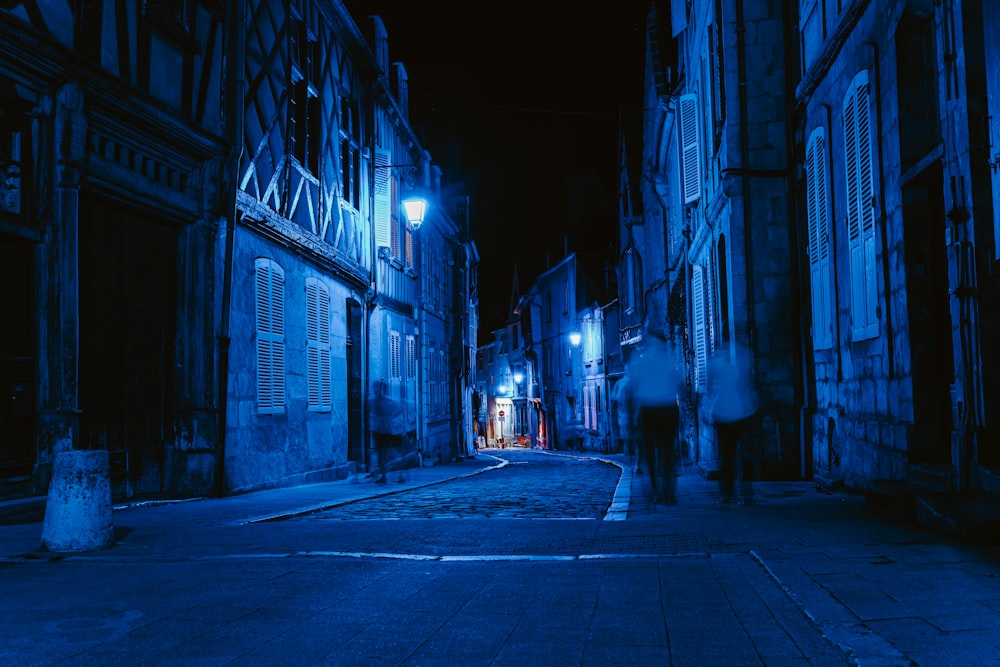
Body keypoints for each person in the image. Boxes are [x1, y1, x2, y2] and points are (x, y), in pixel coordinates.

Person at [630, 328, 683, 504]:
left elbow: (634, 388)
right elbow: (678, 384)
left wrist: (634, 415)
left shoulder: (640, 361)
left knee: (650, 454)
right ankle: (669, 493)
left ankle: (654, 491)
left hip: (649, 409)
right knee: (668, 452)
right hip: (668, 408)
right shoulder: (668, 360)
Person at [706, 342, 760, 504]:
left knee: (726, 454)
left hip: (722, 412)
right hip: (742, 410)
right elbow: (750, 384)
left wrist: (707, 410)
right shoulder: (745, 358)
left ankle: (727, 493)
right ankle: (747, 492)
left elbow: (710, 389)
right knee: (744, 452)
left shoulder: (715, 363)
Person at [370, 378, 404, 484]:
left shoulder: (390, 402)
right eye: (375, 388)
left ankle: (400, 475)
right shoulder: (372, 401)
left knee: (393, 454)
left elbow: (400, 409)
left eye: (378, 388)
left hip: (388, 431)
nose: (376, 390)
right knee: (381, 455)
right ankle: (383, 476)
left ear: (383, 389)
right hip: (378, 431)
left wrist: (391, 419)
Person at [611, 368, 640, 473]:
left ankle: (630, 464)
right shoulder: (637, 383)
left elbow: (614, 402)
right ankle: (636, 464)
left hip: (623, 417)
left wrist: (614, 417)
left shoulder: (620, 384)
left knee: (628, 441)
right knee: (636, 441)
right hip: (634, 416)